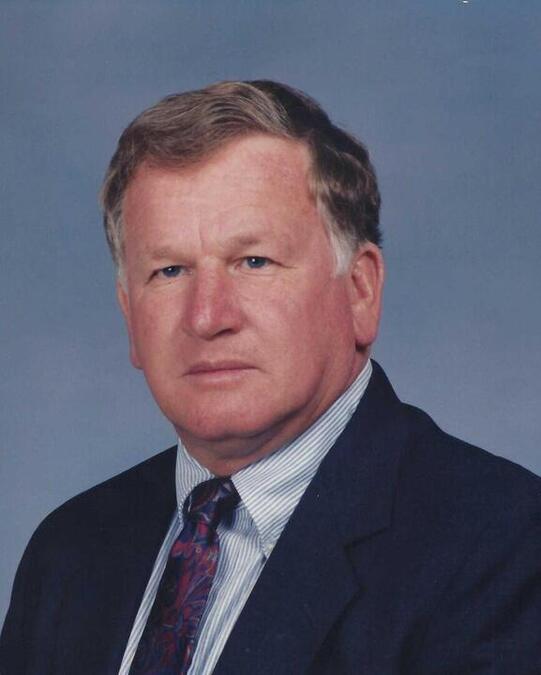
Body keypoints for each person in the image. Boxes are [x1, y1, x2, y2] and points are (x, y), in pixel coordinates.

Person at [1, 80, 540, 675]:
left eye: (254, 262)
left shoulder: (504, 546)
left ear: (360, 291)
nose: (207, 317)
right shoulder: (68, 553)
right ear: (130, 317)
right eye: (170, 271)